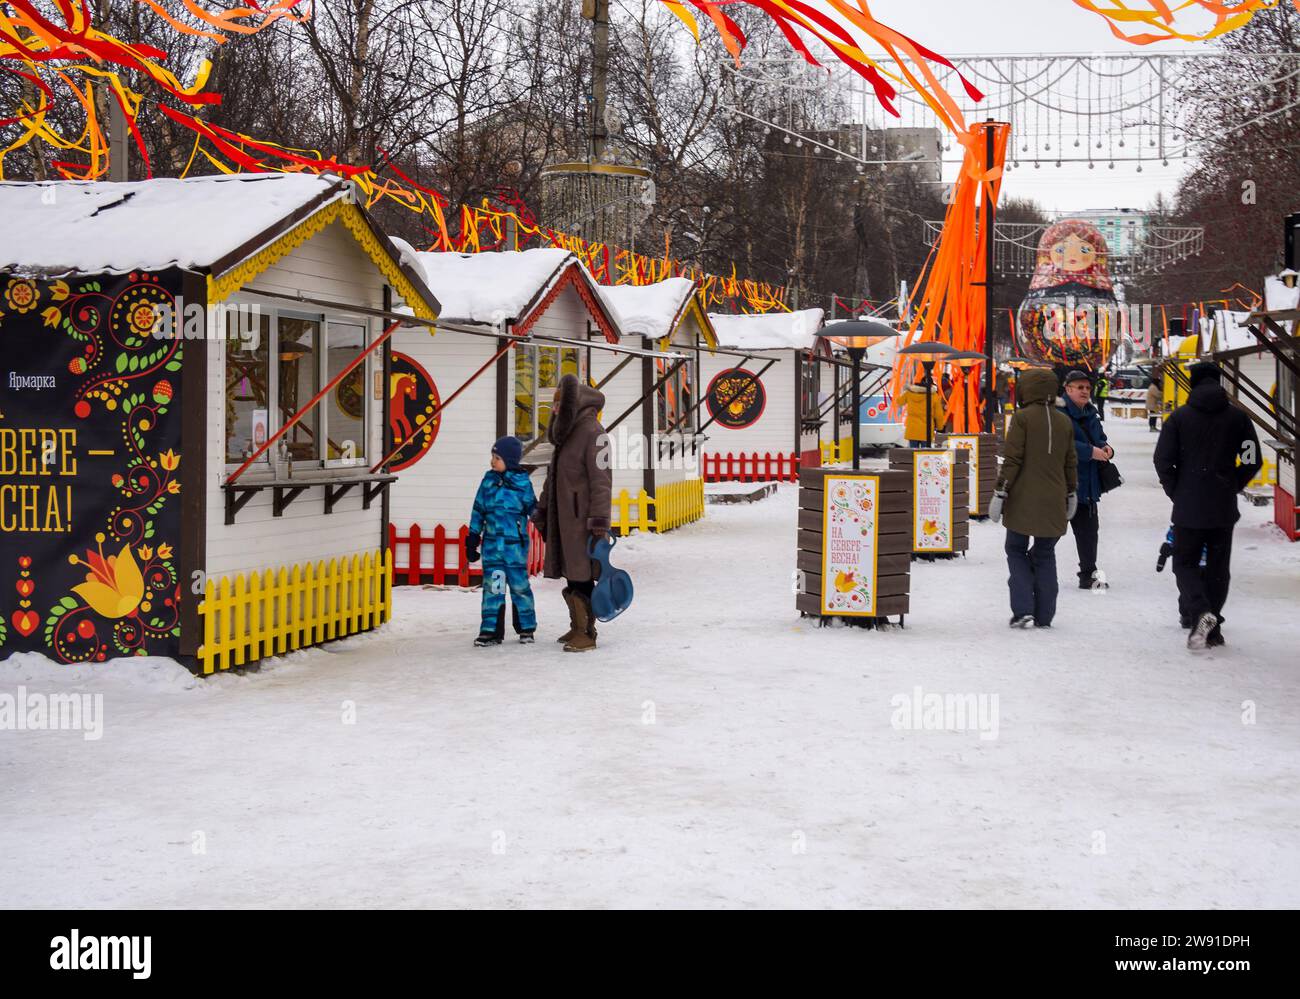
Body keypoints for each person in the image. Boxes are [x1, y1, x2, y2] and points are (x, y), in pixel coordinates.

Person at [1153, 361, 1262, 650]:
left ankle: (1202, 613)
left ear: (1193, 383)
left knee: (1184, 564)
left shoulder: (1178, 418)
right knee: (1218, 567)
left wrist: (1177, 490)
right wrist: (1233, 484)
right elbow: (1252, 459)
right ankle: (1213, 628)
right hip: (1223, 507)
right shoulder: (1239, 419)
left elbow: (1162, 460)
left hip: (1188, 506)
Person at [988, 366, 1078, 628]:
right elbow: (1070, 462)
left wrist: (1000, 491)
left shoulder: (1022, 418)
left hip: (1022, 499)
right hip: (1054, 500)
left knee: (1015, 549)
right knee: (1045, 553)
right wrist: (1071, 491)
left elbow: (1013, 459)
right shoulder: (1064, 421)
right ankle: (1045, 614)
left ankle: (1023, 609)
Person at [533, 374, 613, 652]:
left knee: (581, 574)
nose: (554, 410)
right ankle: (577, 626)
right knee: (571, 573)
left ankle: (586, 632)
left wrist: (599, 522)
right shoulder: (566, 434)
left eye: (557, 405)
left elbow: (602, 481)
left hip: (583, 521)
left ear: (571, 405)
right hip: (564, 518)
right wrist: (543, 508)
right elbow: (553, 477)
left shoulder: (594, 432)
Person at [466, 436, 537, 647]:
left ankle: (526, 628)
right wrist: (472, 537)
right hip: (492, 549)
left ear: (510, 460)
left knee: (519, 587)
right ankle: (491, 630)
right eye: (492, 457)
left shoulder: (523, 484)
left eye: (497, 458)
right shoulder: (488, 481)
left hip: (514, 548)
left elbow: (532, 508)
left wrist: (545, 521)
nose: (492, 462)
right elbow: (478, 510)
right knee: (493, 588)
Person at [1060, 369, 1114, 589]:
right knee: (1052, 532)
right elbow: (1063, 444)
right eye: (1079, 387)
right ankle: (1034, 565)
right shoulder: (1059, 413)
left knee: (1089, 533)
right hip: (1065, 484)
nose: (1084, 391)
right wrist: (1090, 452)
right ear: (1068, 389)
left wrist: (1106, 448)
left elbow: (1099, 437)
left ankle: (1089, 574)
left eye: (1087, 388)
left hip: (1088, 483)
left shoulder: (1091, 412)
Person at [902, 381, 940, 448]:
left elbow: (899, 402)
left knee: (913, 451)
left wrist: (906, 390)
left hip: (913, 428)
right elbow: (938, 413)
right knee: (925, 453)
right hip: (926, 429)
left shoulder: (909, 394)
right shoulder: (933, 395)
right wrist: (939, 426)